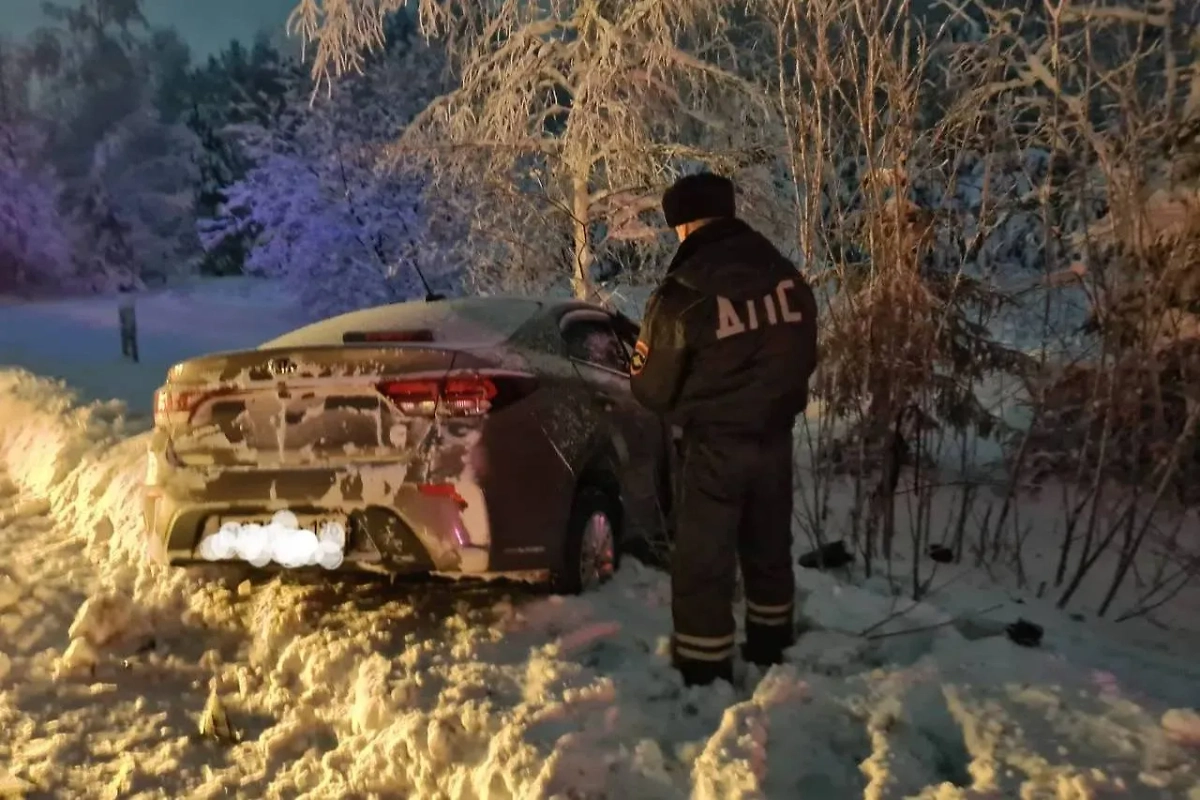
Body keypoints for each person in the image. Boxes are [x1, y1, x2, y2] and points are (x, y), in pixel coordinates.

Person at [629, 172, 819, 687]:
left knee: (704, 563)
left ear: (683, 224)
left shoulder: (682, 292)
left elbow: (651, 389)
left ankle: (704, 672)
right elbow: (805, 353)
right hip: (775, 438)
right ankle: (772, 649)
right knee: (768, 549)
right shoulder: (785, 277)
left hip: (714, 449)